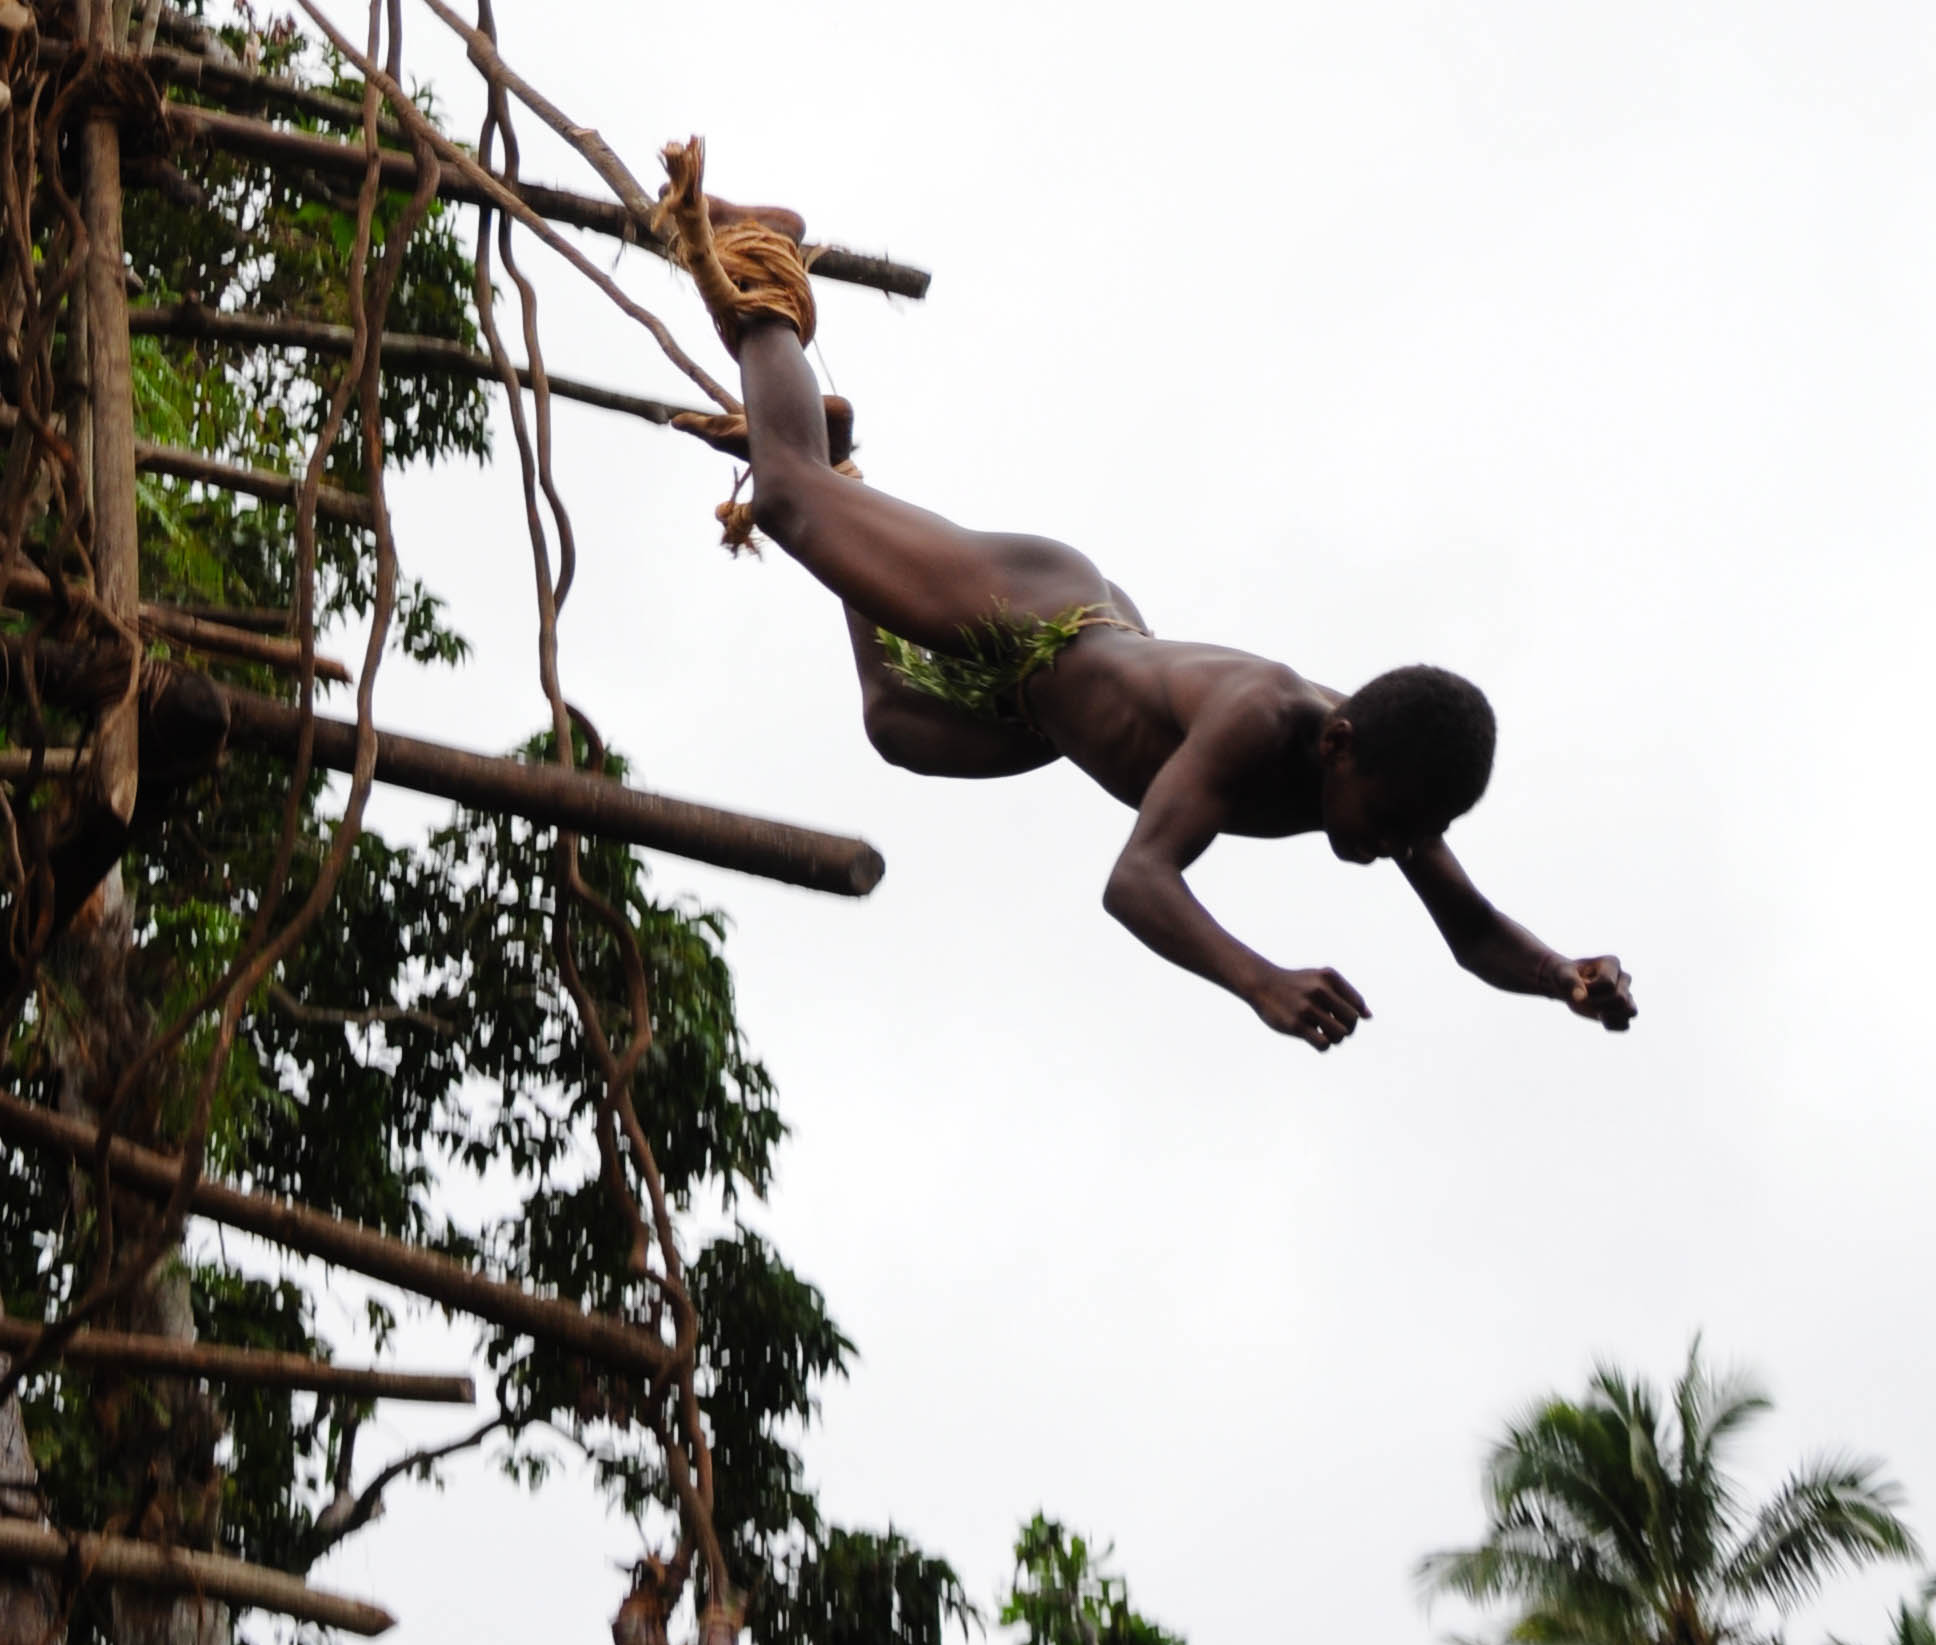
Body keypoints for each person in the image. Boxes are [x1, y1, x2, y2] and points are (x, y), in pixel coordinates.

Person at [664, 158, 1635, 1055]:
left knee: (896, 726)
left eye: (1408, 836)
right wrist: (1261, 982)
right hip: (1036, 618)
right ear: (1337, 745)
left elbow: (1470, 932)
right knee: (786, 500)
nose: (1388, 848)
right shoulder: (1257, 720)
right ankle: (769, 267)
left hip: (1051, 710)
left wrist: (1564, 977)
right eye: (1386, 824)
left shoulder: (1393, 783)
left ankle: (842, 477)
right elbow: (1136, 882)